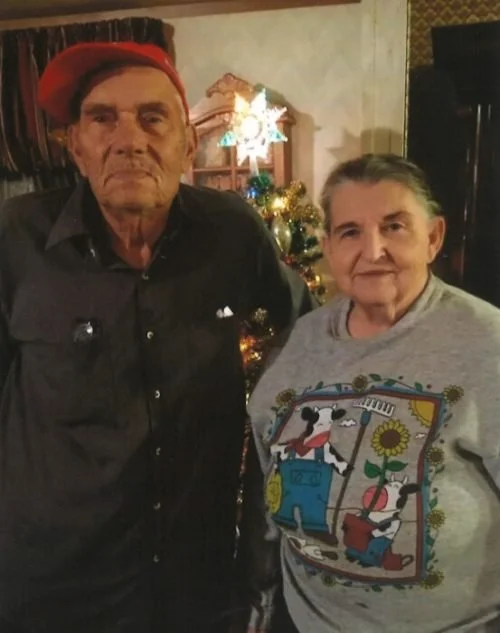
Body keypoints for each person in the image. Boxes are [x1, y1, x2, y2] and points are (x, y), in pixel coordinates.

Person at [0, 41, 315, 633]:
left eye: (152, 118)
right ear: (75, 146)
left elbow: (308, 337)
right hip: (54, 583)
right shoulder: (15, 239)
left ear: (187, 143)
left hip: (196, 577)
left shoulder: (231, 231)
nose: (129, 140)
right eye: (102, 119)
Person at [247, 154, 500, 633]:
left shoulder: (487, 342)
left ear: (433, 238)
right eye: (350, 232)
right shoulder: (300, 341)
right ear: (328, 247)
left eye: (394, 227)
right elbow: (265, 474)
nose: (373, 250)